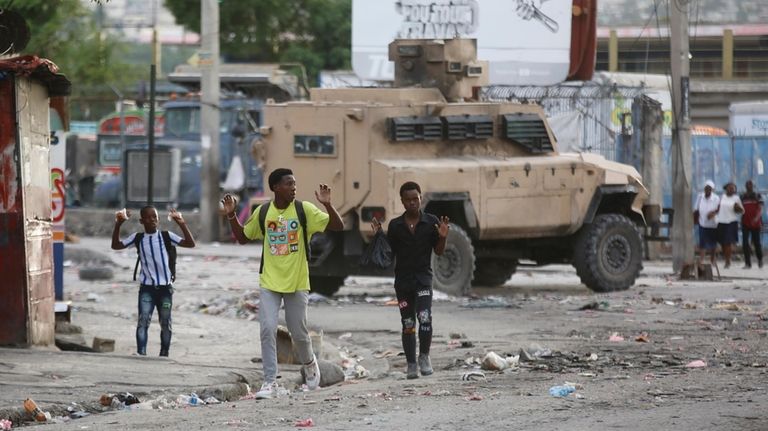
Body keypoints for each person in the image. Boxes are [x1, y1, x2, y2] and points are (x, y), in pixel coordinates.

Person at [221, 168, 343, 399]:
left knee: (298, 332)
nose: (293, 187)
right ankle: (270, 382)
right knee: (267, 329)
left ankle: (309, 362)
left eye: (294, 183)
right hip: (270, 280)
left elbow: (337, 226)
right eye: (288, 184)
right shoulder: (264, 211)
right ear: (276, 187)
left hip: (297, 281)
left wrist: (327, 204)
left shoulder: (303, 209)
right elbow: (244, 237)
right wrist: (231, 215)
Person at [372, 181, 449, 379]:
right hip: (403, 283)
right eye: (408, 200)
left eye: (416, 198)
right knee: (408, 323)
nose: (413, 202)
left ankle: (424, 356)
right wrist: (379, 237)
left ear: (421, 198)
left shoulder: (431, 222)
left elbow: (438, 252)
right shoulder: (396, 226)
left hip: (423, 279)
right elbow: (388, 255)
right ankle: (411, 364)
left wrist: (442, 237)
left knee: (424, 317)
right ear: (403, 202)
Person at [111, 206, 196, 356]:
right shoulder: (138, 238)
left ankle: (164, 354)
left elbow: (190, 243)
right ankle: (141, 353)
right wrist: (118, 224)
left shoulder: (166, 236)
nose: (152, 220)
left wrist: (181, 223)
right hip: (147, 289)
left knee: (165, 323)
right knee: (143, 322)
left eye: (155, 217)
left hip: (165, 289)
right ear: (141, 221)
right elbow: (116, 245)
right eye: (148, 218)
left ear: (158, 219)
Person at [716, 182, 744, 269]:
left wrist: (737, 207)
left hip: (731, 222)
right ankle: (726, 257)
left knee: (728, 242)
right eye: (730, 188)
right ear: (726, 188)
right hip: (721, 221)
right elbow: (718, 208)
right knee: (722, 242)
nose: (732, 189)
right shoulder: (722, 197)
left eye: (733, 188)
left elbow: (742, 211)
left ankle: (728, 261)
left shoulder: (736, 198)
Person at [694, 180, 720, 266]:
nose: (708, 190)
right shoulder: (700, 197)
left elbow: (719, 209)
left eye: (709, 188)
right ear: (704, 189)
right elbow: (696, 209)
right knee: (703, 243)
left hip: (713, 224)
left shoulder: (716, 198)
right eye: (706, 188)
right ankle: (702, 260)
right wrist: (695, 219)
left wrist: (713, 213)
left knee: (713, 243)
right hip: (702, 223)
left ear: (712, 189)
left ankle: (713, 260)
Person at [740, 180, 764, 269]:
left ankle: (760, 259)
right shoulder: (742, 196)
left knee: (757, 243)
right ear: (745, 186)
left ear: (753, 186)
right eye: (747, 184)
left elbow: (761, 208)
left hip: (755, 223)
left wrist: (756, 218)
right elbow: (739, 208)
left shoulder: (757, 195)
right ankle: (747, 263)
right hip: (745, 223)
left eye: (750, 184)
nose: (749, 186)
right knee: (745, 243)